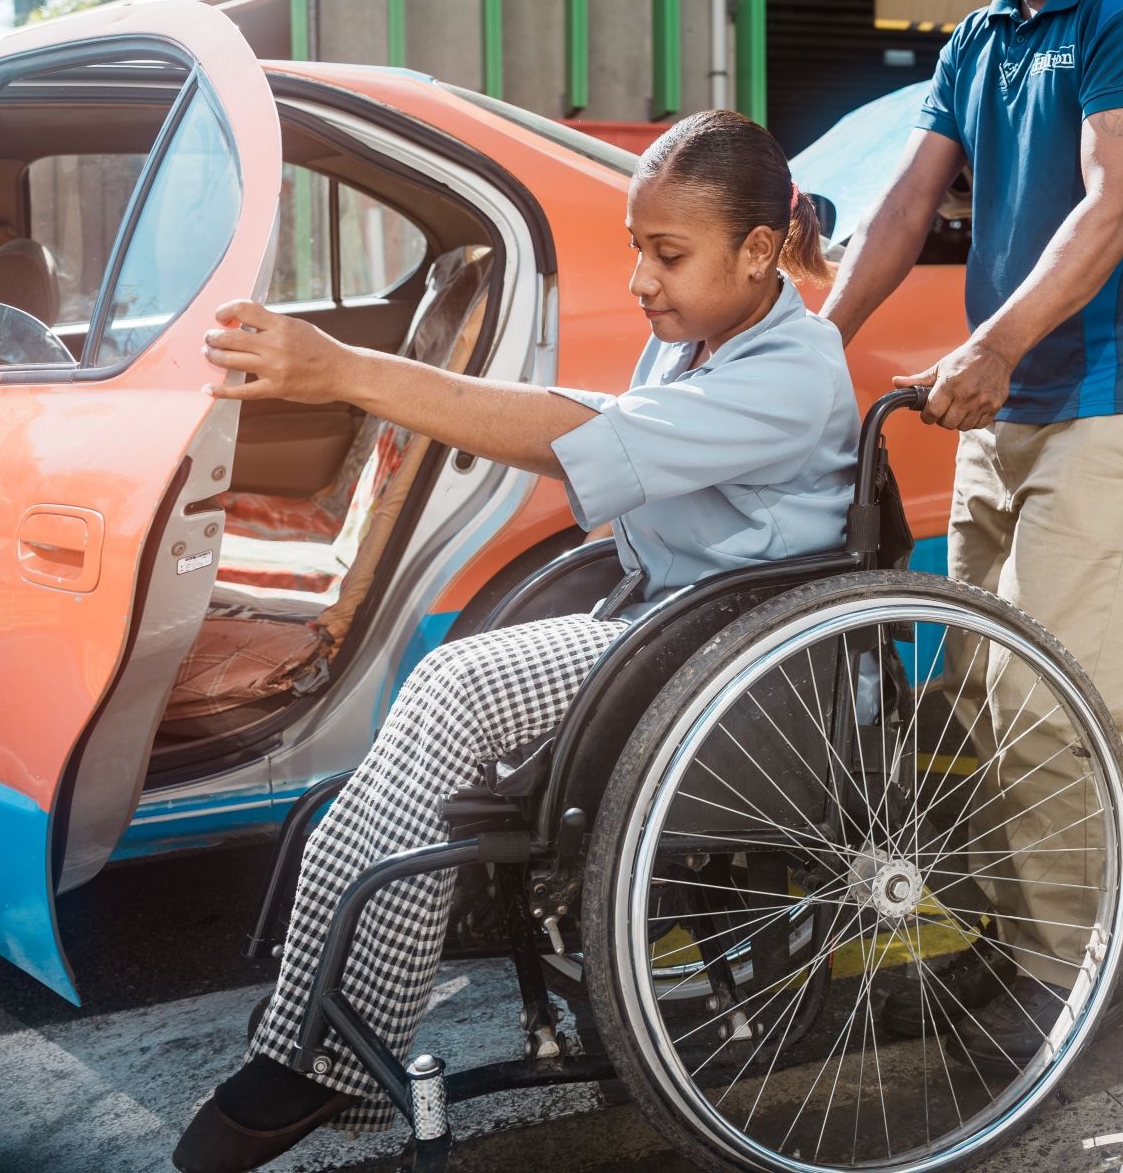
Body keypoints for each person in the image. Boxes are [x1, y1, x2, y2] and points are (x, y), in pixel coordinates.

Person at [174, 110, 859, 1172]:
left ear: (761, 251)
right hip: (665, 626)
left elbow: (584, 437)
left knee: (453, 690)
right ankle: (311, 1026)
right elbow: (602, 418)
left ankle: (332, 1055)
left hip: (718, 662)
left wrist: (349, 372)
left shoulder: (792, 374)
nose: (640, 279)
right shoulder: (703, 336)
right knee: (435, 706)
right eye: (637, 247)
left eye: (666, 253)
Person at [820, 0, 1123, 1063]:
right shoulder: (981, 39)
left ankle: (1074, 992)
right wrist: (816, 345)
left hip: (1105, 396)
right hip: (1007, 411)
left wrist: (993, 342)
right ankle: (1022, 948)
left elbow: (1112, 206)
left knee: (1056, 713)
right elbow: (903, 206)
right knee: (980, 699)